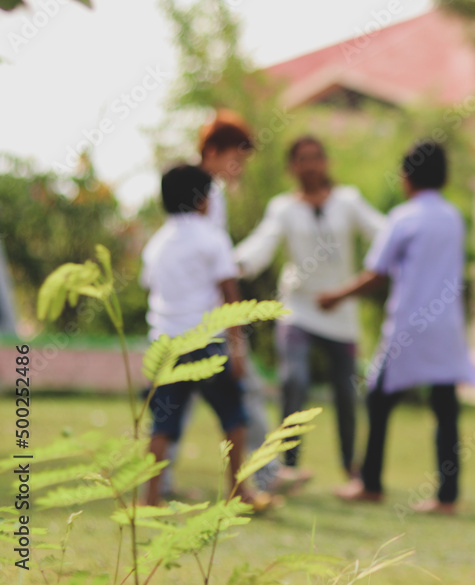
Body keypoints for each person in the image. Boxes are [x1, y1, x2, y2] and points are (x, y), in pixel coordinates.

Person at [321, 140, 475, 515]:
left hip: (409, 326)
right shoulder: (453, 217)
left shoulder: (403, 217)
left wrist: (337, 296)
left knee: (379, 400)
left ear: (407, 176)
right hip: (446, 327)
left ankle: (371, 482)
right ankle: (447, 495)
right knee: (445, 408)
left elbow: (377, 273)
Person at [234, 136, 385, 484]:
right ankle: (289, 464)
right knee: (294, 380)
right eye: (302, 159)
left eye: (317, 157)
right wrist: (233, 263)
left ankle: (351, 468)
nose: (311, 165)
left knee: (346, 392)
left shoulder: (348, 201)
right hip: (299, 308)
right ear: (292, 166)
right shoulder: (283, 208)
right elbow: (262, 244)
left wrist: (410, 240)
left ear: (326, 162)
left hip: (341, 309)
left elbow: (384, 233)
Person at [141, 164, 263, 508]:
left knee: (162, 423)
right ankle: (239, 491)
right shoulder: (213, 238)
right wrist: (237, 346)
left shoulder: (157, 243)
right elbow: (230, 293)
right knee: (233, 416)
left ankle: (150, 498)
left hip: (165, 343)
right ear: (201, 200)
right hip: (206, 341)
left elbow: (150, 286)